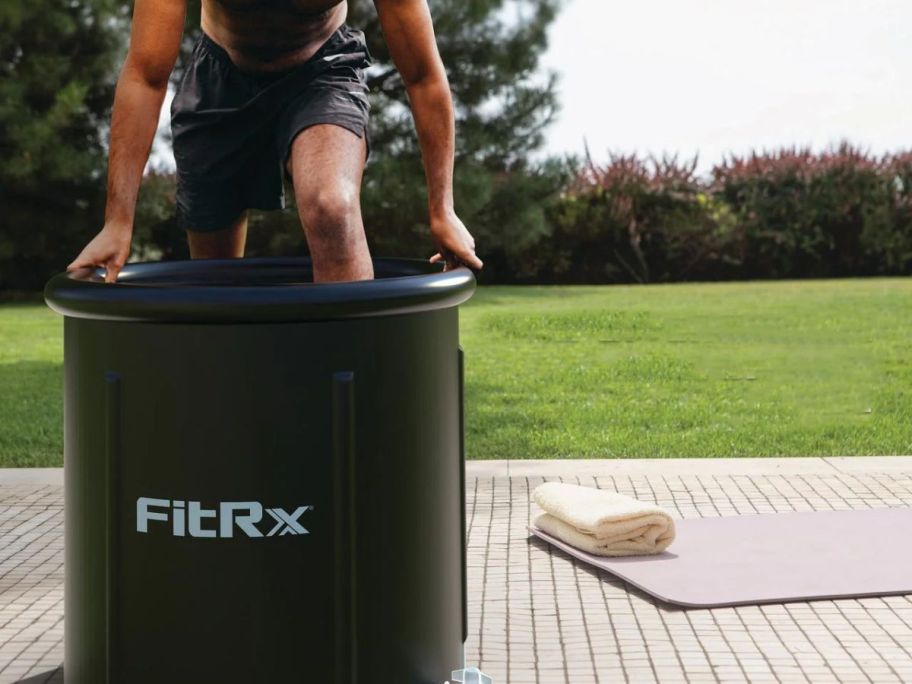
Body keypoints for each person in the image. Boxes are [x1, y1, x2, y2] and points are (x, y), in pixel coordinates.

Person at [67, 0, 483, 283]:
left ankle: (354, 393)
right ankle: (237, 402)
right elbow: (145, 75)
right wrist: (117, 220)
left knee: (331, 206)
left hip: (322, 69)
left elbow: (424, 77)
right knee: (216, 282)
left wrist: (442, 208)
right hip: (219, 77)